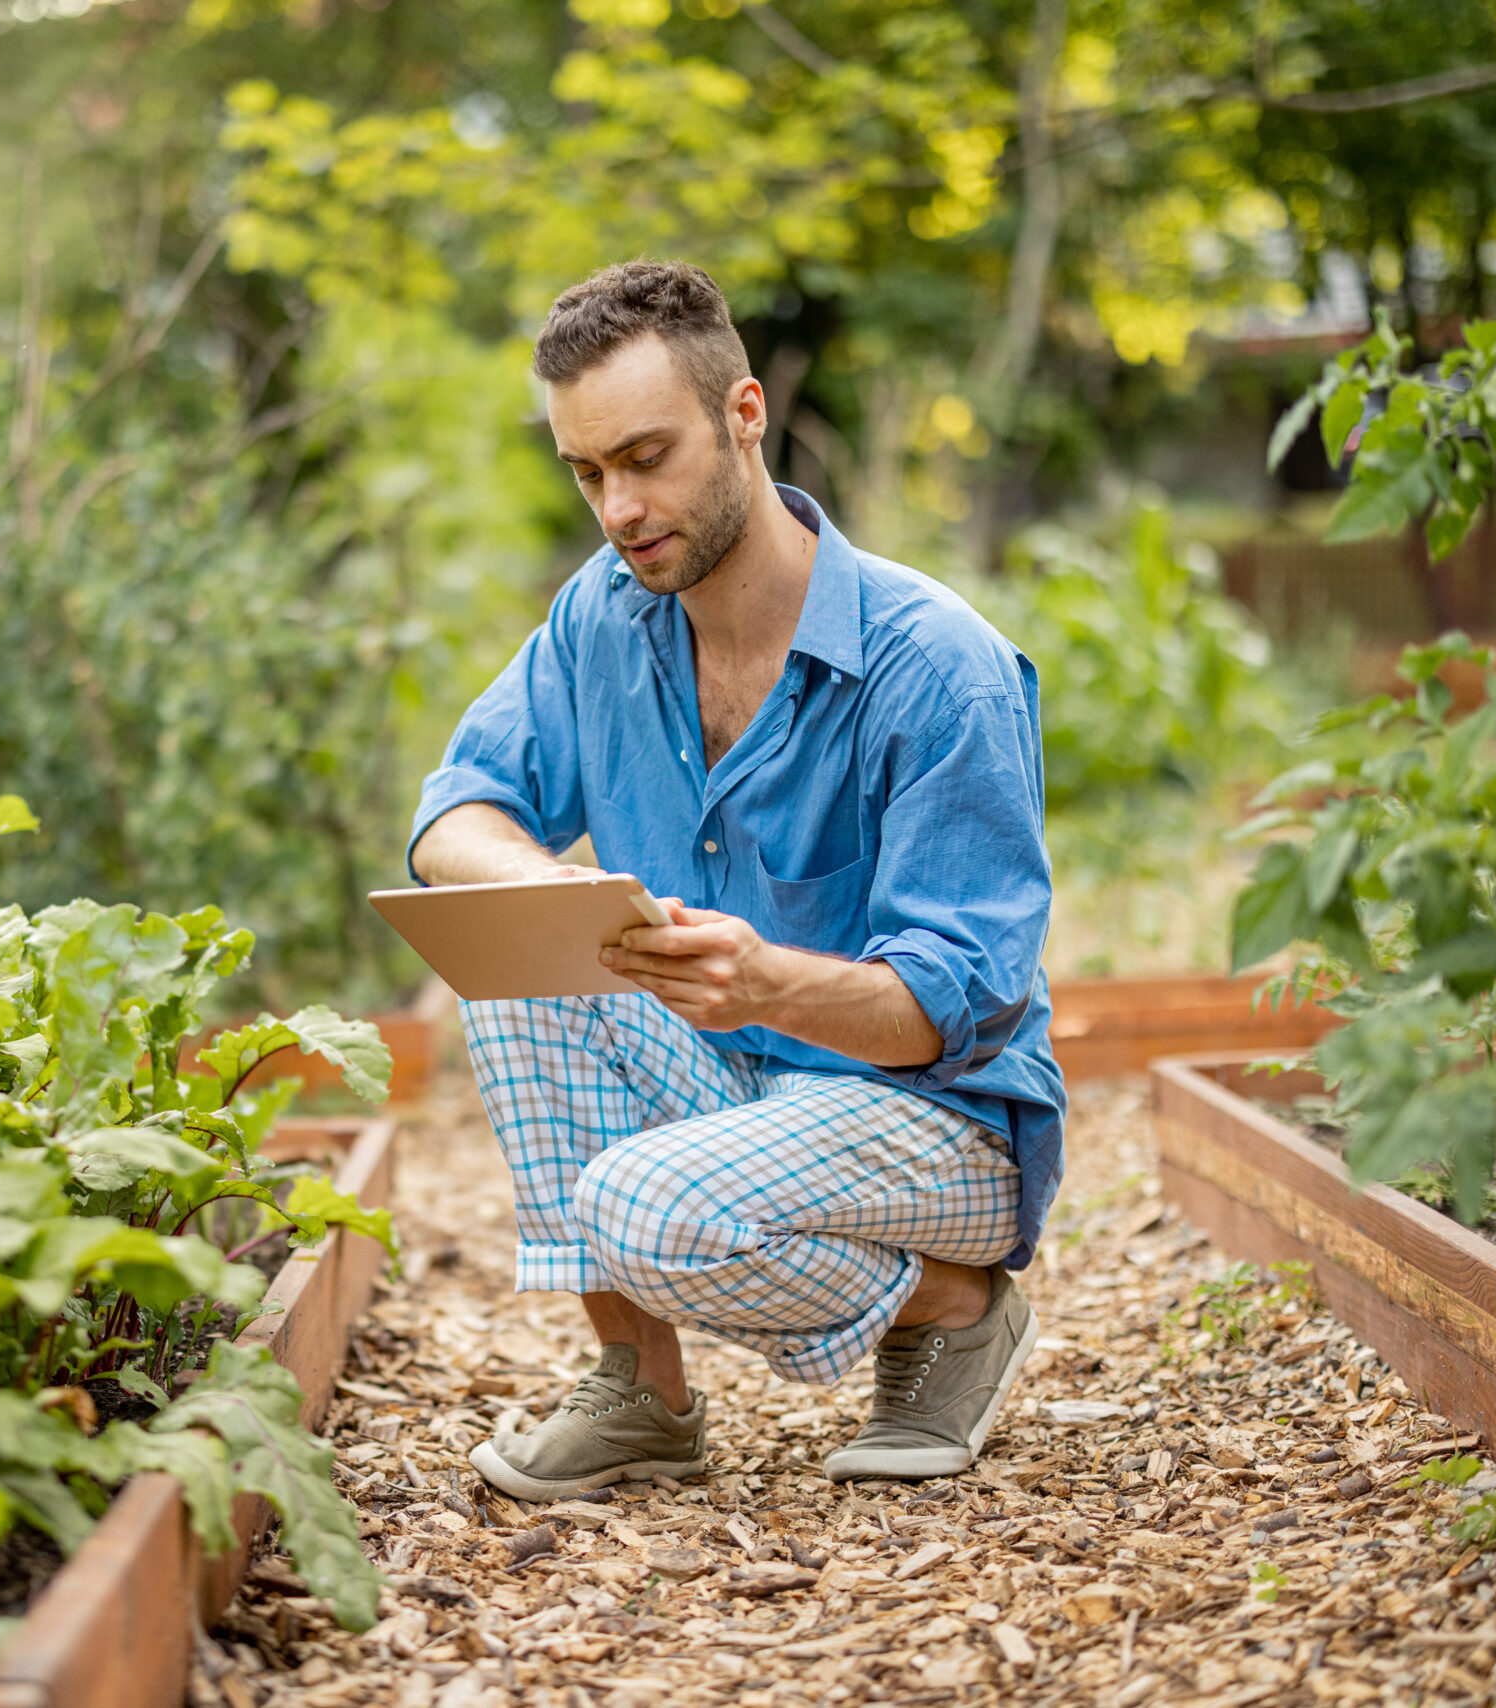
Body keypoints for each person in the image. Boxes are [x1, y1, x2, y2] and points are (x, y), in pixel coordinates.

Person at [408, 260, 1065, 1500]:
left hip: (938, 1114)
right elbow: (456, 810)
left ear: (743, 414)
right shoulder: (601, 618)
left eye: (647, 457)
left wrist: (763, 982)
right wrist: (546, 896)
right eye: (588, 472)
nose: (617, 507)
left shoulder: (935, 667)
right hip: (739, 1085)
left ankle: (958, 1302)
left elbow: (951, 1004)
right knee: (511, 948)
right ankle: (642, 1394)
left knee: (645, 1209)